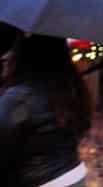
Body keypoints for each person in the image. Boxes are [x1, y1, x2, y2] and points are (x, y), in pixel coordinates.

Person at [0, 34, 92, 187]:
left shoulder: (19, 98)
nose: (6, 56)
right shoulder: (68, 89)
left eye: (14, 50)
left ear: (25, 58)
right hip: (74, 176)